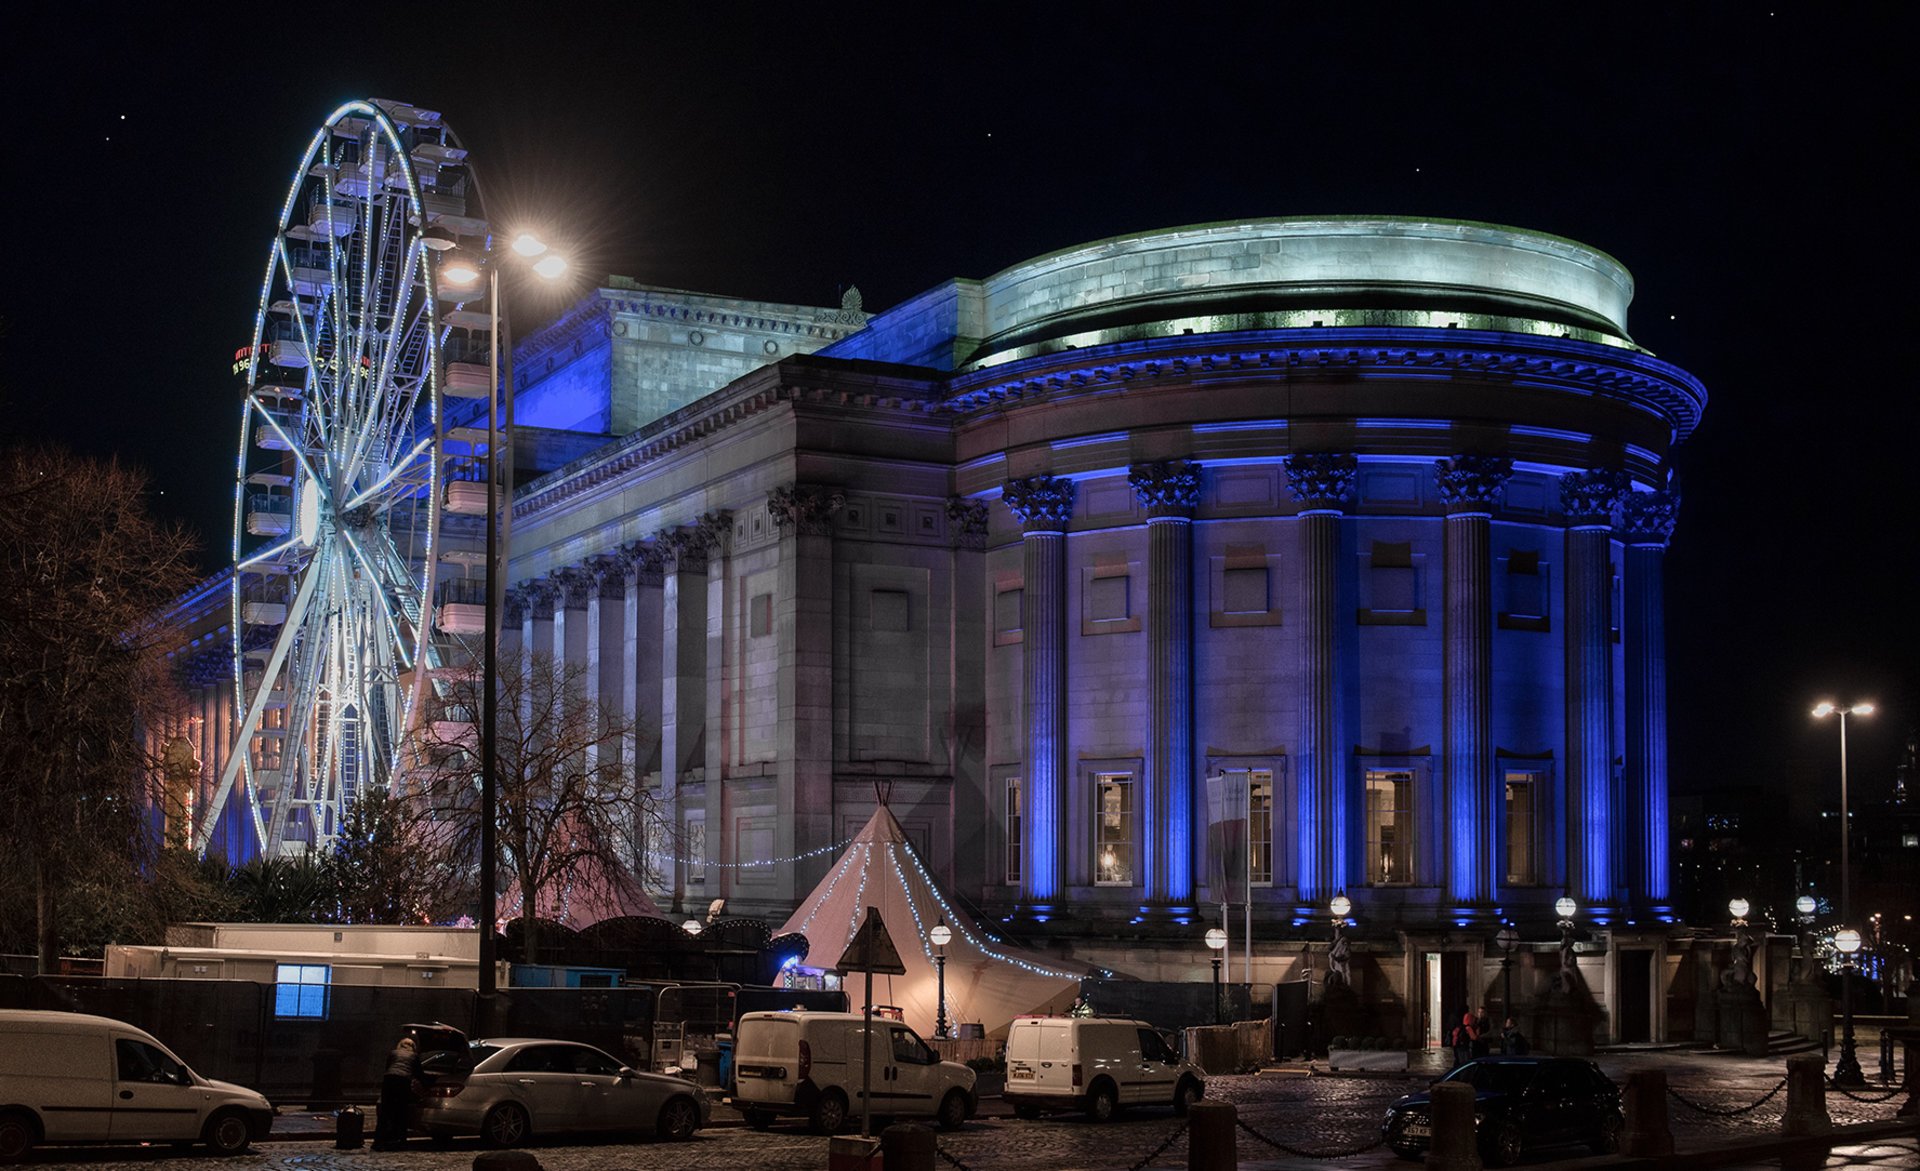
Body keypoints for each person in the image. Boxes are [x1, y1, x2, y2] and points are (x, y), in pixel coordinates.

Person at [373, 1036, 418, 1150]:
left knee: (385, 1111)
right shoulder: (413, 1056)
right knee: (401, 1111)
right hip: (403, 1081)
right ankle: (400, 1141)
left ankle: (378, 1141)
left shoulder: (393, 1053)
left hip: (389, 1080)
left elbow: (387, 1067)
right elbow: (418, 1073)